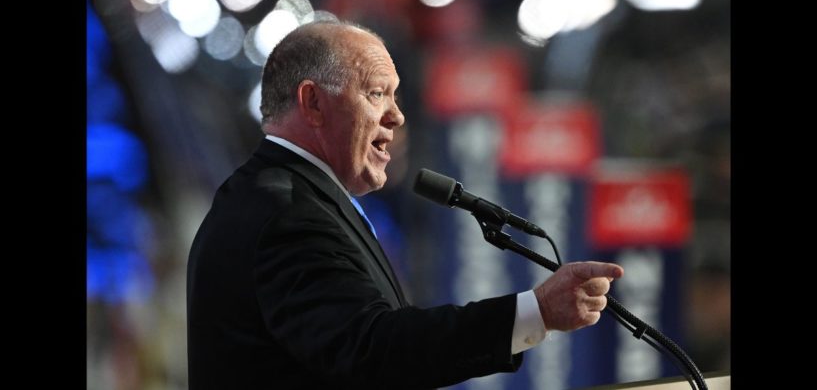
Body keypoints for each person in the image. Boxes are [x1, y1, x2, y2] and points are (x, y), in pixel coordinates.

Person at [186, 20, 624, 390]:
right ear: (313, 102)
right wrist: (536, 311)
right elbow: (372, 348)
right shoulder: (286, 213)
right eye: (377, 94)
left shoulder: (284, 195)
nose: (397, 116)